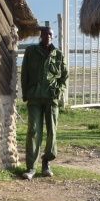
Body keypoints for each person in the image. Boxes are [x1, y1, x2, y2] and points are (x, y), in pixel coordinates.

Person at [20, 26, 68, 180]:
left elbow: (64, 77)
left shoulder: (58, 55)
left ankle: (46, 162)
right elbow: (25, 73)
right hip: (34, 97)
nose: (47, 36)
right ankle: (31, 167)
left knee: (52, 131)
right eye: (45, 34)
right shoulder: (31, 52)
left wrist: (58, 91)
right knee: (33, 130)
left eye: (50, 34)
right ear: (40, 36)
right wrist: (26, 92)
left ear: (53, 37)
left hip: (51, 99)